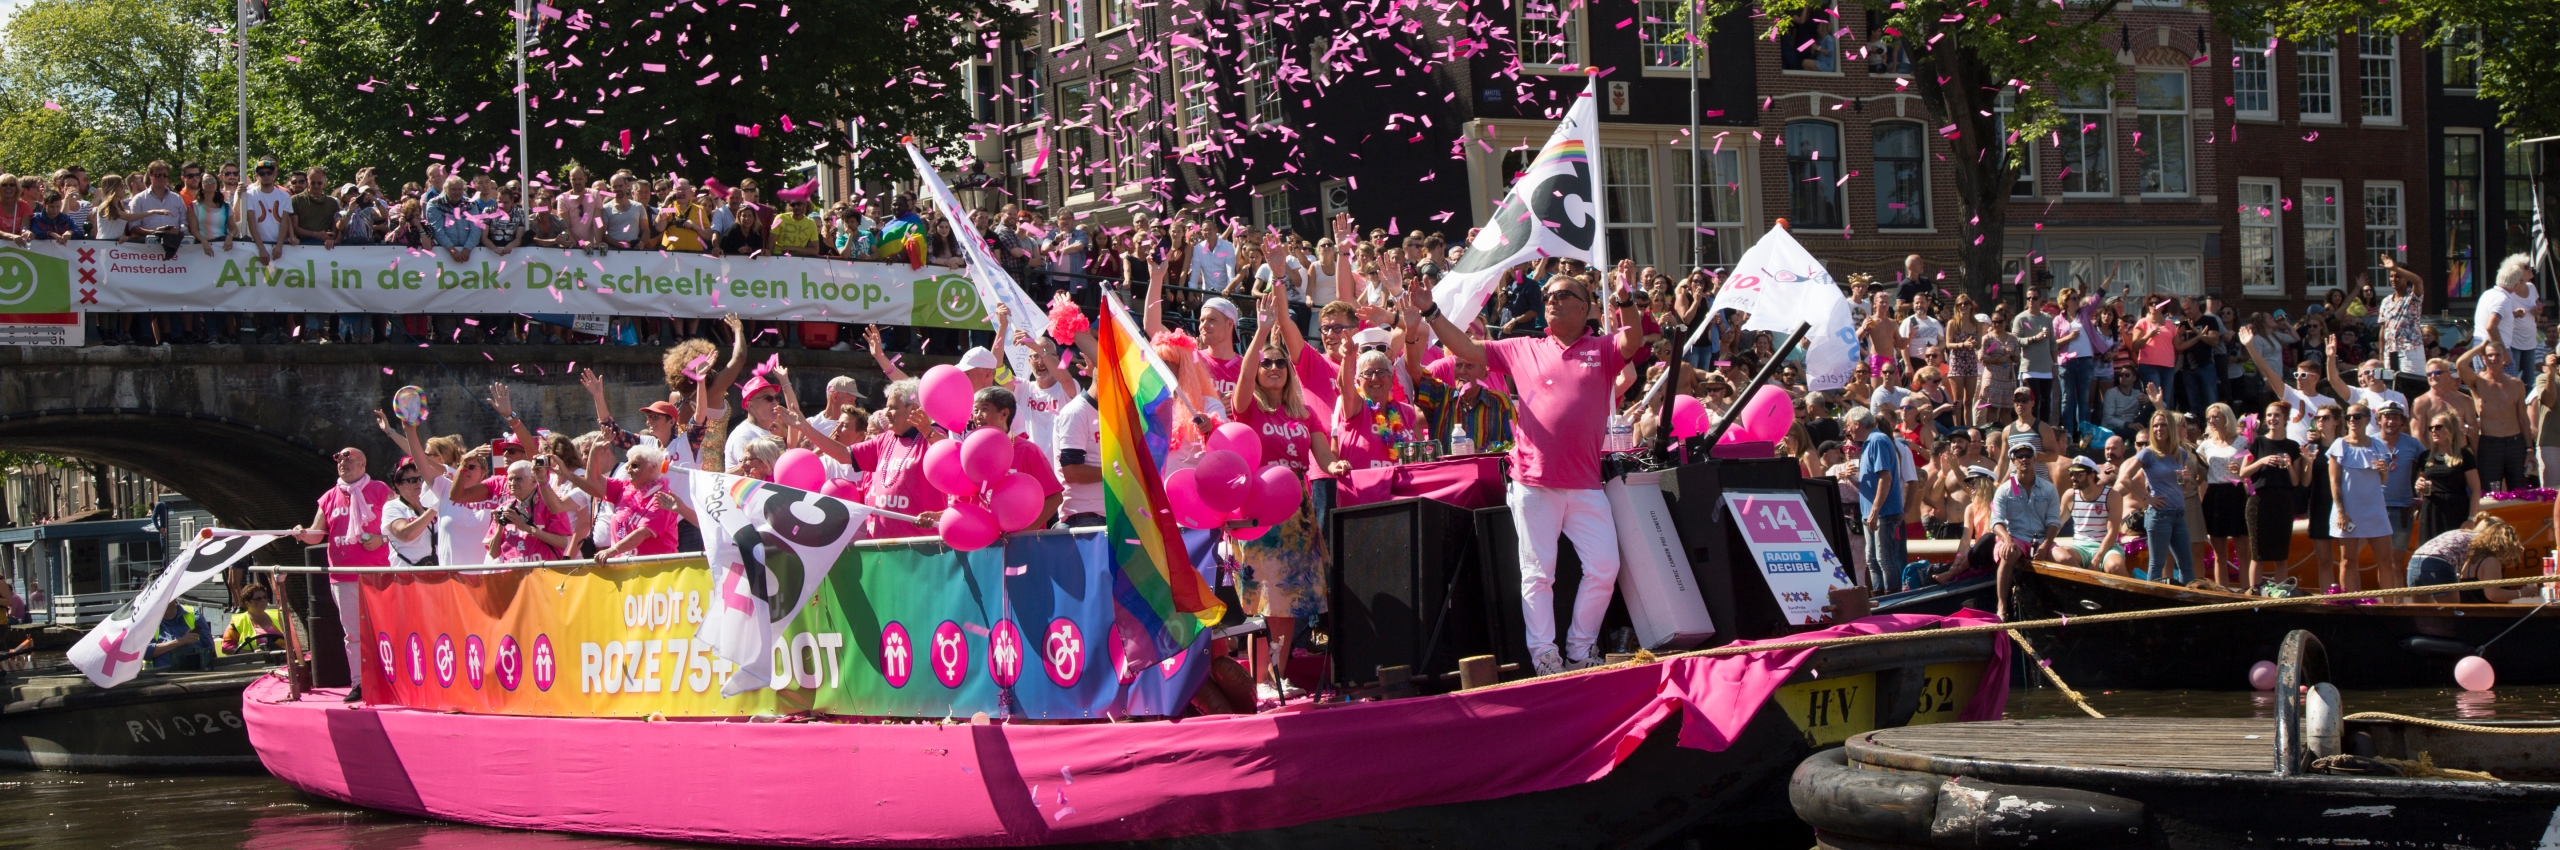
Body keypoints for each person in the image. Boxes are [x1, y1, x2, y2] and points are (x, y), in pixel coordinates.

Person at [1410, 266, 1642, 674]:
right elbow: (1465, 347)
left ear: (1585, 308)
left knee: (1605, 567)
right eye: (1548, 294)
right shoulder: (1522, 348)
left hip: (1586, 485)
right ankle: (1545, 657)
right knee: (1538, 575)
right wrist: (1430, 312)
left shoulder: (1602, 348)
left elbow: (1633, 340)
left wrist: (1625, 301)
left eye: (1563, 294)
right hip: (1534, 482)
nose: (1551, 298)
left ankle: (1580, 649)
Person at [1228, 292, 1348, 702]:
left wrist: (1334, 467)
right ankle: (1259, 680)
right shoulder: (1249, 410)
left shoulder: (1303, 413)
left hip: (1297, 512)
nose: (1275, 367)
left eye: (1281, 362)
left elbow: (1323, 454)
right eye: (1267, 363)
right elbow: (1242, 382)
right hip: (1261, 512)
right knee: (1265, 599)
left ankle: (1278, 676)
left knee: (1291, 598)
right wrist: (1261, 334)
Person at [290, 447, 391, 702]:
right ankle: (360, 682)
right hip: (343, 575)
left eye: (349, 459)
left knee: (384, 627)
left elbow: (401, 525)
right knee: (353, 633)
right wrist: (302, 533)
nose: (342, 463)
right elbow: (317, 533)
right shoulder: (329, 498)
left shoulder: (380, 490)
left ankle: (391, 678)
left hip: (379, 572)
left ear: (363, 464)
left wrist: (382, 539)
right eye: (339, 460)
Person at [2116, 408, 2200, 585]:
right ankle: (2152, 604)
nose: (2159, 429)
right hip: (2159, 515)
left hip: (2179, 514)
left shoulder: (2180, 453)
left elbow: (2183, 488)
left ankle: (2187, 604)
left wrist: (2186, 479)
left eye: (2163, 425)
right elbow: (2125, 479)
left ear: (2170, 427)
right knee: (2156, 564)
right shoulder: (2148, 453)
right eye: (2155, 426)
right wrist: (2147, 499)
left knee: (2187, 565)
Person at [968, 385, 1065, 529]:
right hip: (986, 545)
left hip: (1025, 545)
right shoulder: (970, 454)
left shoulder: (1028, 451)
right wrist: (938, 515)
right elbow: (965, 503)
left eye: (984, 409)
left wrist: (1024, 532)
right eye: (975, 410)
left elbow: (1054, 498)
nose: (977, 416)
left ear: (1004, 414)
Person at [1988, 434, 2060, 618]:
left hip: (2042, 539)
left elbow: (2053, 521)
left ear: (2035, 458)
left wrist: (2045, 545)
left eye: (2028, 455)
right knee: (2008, 553)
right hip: (2016, 538)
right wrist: (2007, 540)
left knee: (2065, 557)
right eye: (2019, 456)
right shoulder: (2004, 489)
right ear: (2013, 461)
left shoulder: (2049, 488)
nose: (2024, 459)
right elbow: (1996, 521)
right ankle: (2002, 606)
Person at [2325, 403, 2394, 593]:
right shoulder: (2340, 444)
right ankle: (2351, 603)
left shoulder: (2378, 444)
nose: (2352, 420)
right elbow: (2334, 482)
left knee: (2386, 561)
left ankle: (2390, 606)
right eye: (2349, 417)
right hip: (2349, 511)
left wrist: (2384, 471)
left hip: (2375, 509)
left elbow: (2382, 479)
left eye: (2356, 416)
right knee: (2348, 561)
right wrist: (2341, 512)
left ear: (2366, 419)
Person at [2240, 401, 2308, 592]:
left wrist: (2288, 466)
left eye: (2277, 415)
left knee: (2281, 556)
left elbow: (2296, 482)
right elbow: (2243, 472)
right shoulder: (2256, 442)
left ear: (2285, 419)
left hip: (2283, 502)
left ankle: (2280, 593)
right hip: (2259, 502)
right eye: (2269, 415)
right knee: (2257, 554)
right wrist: (2262, 461)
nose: (2273, 419)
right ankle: (2254, 594)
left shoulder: (2293, 446)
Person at [1845, 406, 1906, 594]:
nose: (1847, 430)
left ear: (1857, 424)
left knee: (1884, 559)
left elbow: (1885, 478)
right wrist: (1851, 479)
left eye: (1848, 425)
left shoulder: (1878, 441)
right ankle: (1879, 595)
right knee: (1871, 559)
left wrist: (1875, 510)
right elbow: (1869, 485)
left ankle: (1892, 597)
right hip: (1872, 512)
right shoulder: (1868, 444)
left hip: (1883, 512)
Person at [2457, 341, 2532, 492]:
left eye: (2498, 354)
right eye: (2489, 355)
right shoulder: (2478, 381)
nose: (2494, 358)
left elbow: (2523, 419)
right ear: (2483, 358)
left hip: (2515, 443)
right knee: (2490, 491)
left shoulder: (2516, 384)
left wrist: (2529, 449)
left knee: (2519, 490)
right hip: (2490, 443)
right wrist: (2480, 347)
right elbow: (2461, 364)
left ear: (2505, 357)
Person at [2406, 516, 2532, 604]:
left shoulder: (2463, 534)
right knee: (2453, 612)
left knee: (2423, 611)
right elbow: (2492, 593)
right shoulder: (2480, 541)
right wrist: (2521, 593)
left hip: (2414, 561)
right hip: (2437, 563)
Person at [2194, 403, 2249, 588]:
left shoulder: (2242, 441)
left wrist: (2242, 469)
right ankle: (2223, 593)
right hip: (2215, 494)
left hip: (2237, 492)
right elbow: (2199, 472)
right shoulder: (2205, 446)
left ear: (2227, 417)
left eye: (2216, 416)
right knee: (2219, 554)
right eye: (2210, 417)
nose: (2212, 420)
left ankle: (2247, 590)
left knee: (2243, 551)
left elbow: (2251, 468)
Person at [2415, 411, 2481, 542]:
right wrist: (2418, 485)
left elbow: (2475, 489)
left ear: (2450, 429)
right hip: (2430, 511)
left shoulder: (2464, 455)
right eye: (2431, 428)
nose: (2434, 431)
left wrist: (2471, 519)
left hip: (2456, 509)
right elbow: (2420, 486)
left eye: (2438, 427)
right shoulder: (2425, 456)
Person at [2474, 254, 2542, 377]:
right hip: (2495, 349)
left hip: (2484, 347)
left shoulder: (2488, 294)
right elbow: (2491, 326)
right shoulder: (2503, 299)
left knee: (2489, 388)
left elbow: (2494, 319)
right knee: (2509, 388)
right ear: (2515, 283)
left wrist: (2513, 314)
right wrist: (2503, 352)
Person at [2047, 456, 2120, 572]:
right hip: (2080, 546)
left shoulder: (2112, 496)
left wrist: (2096, 559)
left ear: (2092, 476)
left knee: (2115, 566)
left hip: (2107, 547)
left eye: (2078, 475)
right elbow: (2057, 524)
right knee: (2059, 557)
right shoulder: (2070, 495)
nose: (2073, 478)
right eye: (2071, 474)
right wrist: (2044, 544)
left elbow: (2112, 533)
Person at [2302, 403, 2345, 589]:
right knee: (2325, 561)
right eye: (2317, 418)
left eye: (2325, 418)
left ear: (2336, 421)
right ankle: (2328, 600)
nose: (2320, 421)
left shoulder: (2346, 445)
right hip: (2320, 505)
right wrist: (2309, 463)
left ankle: (2349, 598)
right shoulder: (2312, 448)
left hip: (2344, 504)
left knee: (2348, 560)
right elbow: (2305, 482)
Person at [381, 456, 437, 567]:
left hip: (436, 572)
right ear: (398, 484)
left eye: (420, 479)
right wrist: (435, 508)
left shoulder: (429, 504)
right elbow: (406, 535)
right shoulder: (392, 506)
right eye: (412, 480)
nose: (418, 483)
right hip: (407, 575)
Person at [218, 585, 286, 655]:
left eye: (265, 597)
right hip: (253, 663)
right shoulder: (238, 621)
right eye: (258, 599)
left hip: (284, 660)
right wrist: (252, 653)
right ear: (247, 604)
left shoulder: (279, 615)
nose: (263, 600)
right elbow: (226, 647)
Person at [148, 601, 216, 670]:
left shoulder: (193, 613)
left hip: (195, 671)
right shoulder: (149, 620)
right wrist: (181, 641)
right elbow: (147, 652)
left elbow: (209, 647)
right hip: (163, 675)